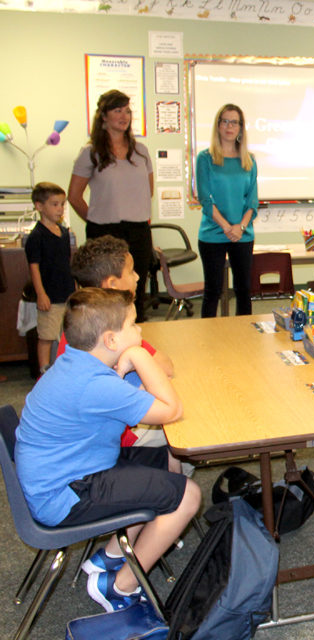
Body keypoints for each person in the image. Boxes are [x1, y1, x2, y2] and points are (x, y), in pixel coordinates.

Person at [15, 287, 200, 612]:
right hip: (64, 495)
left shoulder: (77, 364)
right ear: (112, 341)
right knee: (189, 495)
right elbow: (172, 410)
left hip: (65, 475)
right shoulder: (95, 384)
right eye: (134, 325)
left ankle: (110, 555)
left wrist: (134, 363)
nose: (141, 331)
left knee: (161, 461)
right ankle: (119, 586)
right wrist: (140, 355)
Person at [62, 235, 175, 448]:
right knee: (182, 425)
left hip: (91, 430)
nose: (138, 277)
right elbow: (166, 367)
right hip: (111, 437)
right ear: (112, 284)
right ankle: (171, 478)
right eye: (131, 271)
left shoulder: (81, 323)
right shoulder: (113, 334)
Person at [68, 89, 154, 321]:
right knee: (105, 295)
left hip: (138, 231)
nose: (124, 116)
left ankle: (137, 343)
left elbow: (148, 192)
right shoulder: (90, 153)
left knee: (135, 291)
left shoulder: (141, 152)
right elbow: (74, 196)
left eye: (127, 111)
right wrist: (96, 219)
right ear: (104, 116)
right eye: (118, 110)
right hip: (104, 232)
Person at [196, 103, 258, 317]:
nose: (229, 126)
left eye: (235, 122)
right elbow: (205, 199)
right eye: (225, 121)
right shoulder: (205, 158)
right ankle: (209, 343)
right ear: (218, 125)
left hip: (242, 234)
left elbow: (252, 201)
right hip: (213, 234)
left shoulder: (249, 160)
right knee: (212, 292)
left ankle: (244, 340)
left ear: (241, 128)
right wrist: (227, 227)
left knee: (243, 291)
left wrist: (239, 227)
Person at [25, 182, 75, 372]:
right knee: (47, 336)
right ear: (39, 206)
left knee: (66, 334)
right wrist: (41, 294)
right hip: (50, 296)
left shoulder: (63, 232)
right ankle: (43, 372)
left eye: (62, 204)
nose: (60, 209)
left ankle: (62, 369)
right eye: (54, 204)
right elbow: (34, 268)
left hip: (66, 292)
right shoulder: (37, 236)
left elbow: (66, 263)